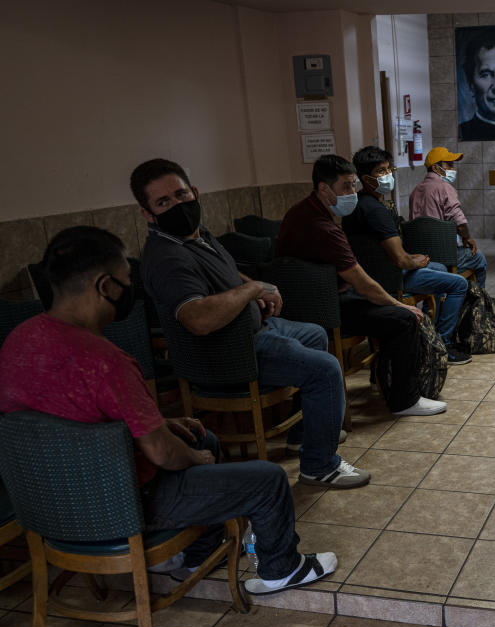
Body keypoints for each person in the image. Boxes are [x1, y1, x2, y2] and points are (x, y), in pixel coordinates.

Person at [0, 226, 336, 595]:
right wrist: (198, 458)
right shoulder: (107, 362)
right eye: (127, 281)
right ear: (105, 286)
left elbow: (62, 424)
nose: (131, 290)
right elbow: (163, 454)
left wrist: (163, 426)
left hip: (48, 501)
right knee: (266, 480)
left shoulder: (17, 341)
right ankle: (281, 569)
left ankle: (191, 556)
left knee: (197, 433)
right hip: (122, 502)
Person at [131, 158, 369, 489]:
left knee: (314, 333)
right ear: (147, 213)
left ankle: (305, 437)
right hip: (229, 351)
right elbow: (197, 319)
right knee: (325, 369)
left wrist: (251, 289)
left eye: (181, 195)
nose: (177, 205)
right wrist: (252, 289)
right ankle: (319, 466)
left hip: (252, 329)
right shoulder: (169, 258)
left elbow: (227, 273)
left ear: (195, 193)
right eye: (163, 202)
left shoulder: (194, 236)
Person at [277, 154, 447, 417]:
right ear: (324, 188)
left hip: (299, 307)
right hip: (328, 310)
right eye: (345, 186)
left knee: (391, 313)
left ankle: (382, 381)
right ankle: (405, 400)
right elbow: (363, 284)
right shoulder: (326, 229)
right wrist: (400, 304)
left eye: (353, 185)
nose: (351, 192)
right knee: (403, 320)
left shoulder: (298, 212)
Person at [344, 146, 471, 364]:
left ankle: (430, 333)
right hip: (391, 278)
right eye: (380, 172)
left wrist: (415, 259)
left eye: (388, 169)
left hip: (370, 273)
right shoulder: (376, 212)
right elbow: (400, 259)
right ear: (365, 178)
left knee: (439, 269)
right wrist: (416, 260)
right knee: (458, 283)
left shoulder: (355, 206)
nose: (387, 176)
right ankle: (443, 344)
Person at [409, 146, 488, 288]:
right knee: (479, 258)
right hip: (443, 255)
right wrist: (467, 237)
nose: (453, 169)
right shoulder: (444, 188)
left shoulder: (416, 190)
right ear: (436, 168)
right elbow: (459, 221)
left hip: (419, 254)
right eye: (449, 165)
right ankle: (478, 304)